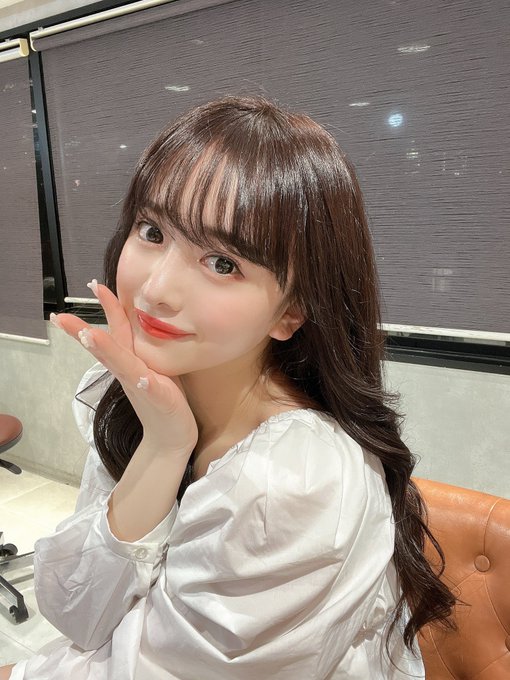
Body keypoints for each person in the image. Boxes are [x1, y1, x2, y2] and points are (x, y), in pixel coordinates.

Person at [2, 94, 455, 680]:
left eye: (223, 264)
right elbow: (79, 616)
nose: (156, 290)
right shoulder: (146, 395)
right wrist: (163, 446)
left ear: (291, 312)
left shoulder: (290, 483)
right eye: (152, 231)